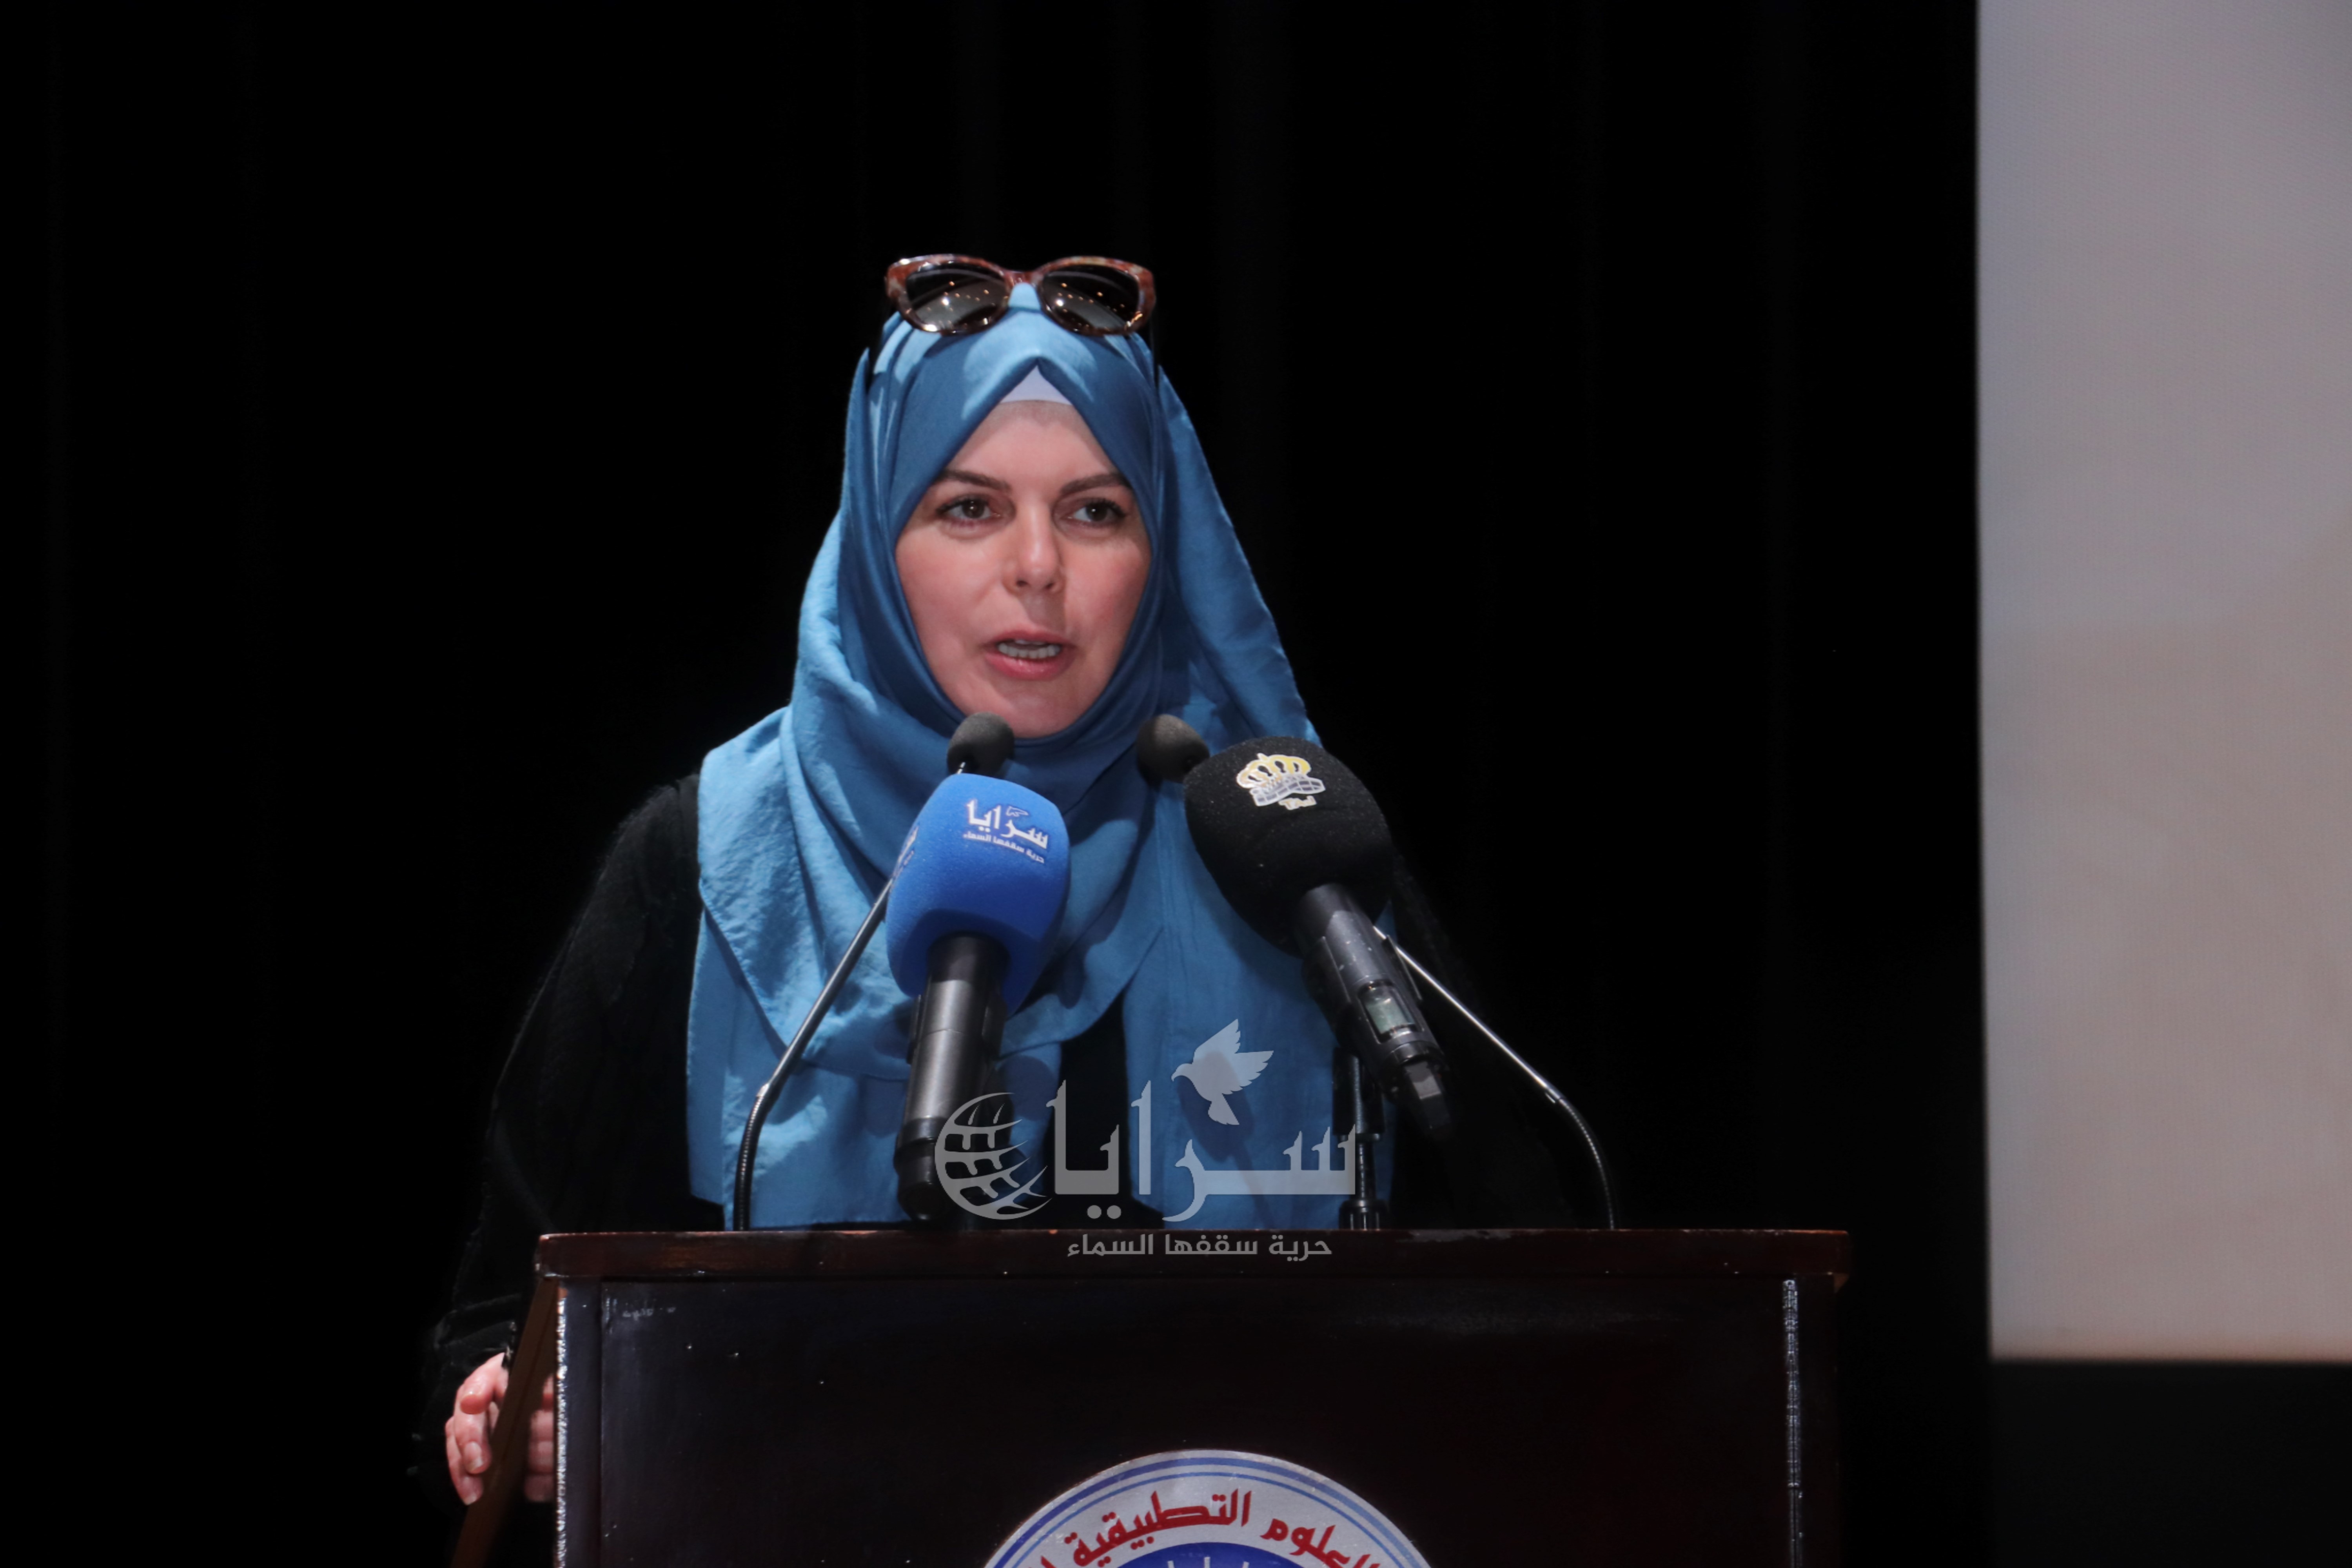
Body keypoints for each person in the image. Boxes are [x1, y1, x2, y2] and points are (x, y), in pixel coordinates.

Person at [417, 257, 1568, 1521]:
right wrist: (510, 1416)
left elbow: (1546, 1288)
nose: (1037, 566)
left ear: (1164, 546)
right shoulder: (706, 862)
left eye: (1096, 512)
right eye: (968, 507)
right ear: (879, 535)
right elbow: (499, 1319)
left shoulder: (1286, 855)